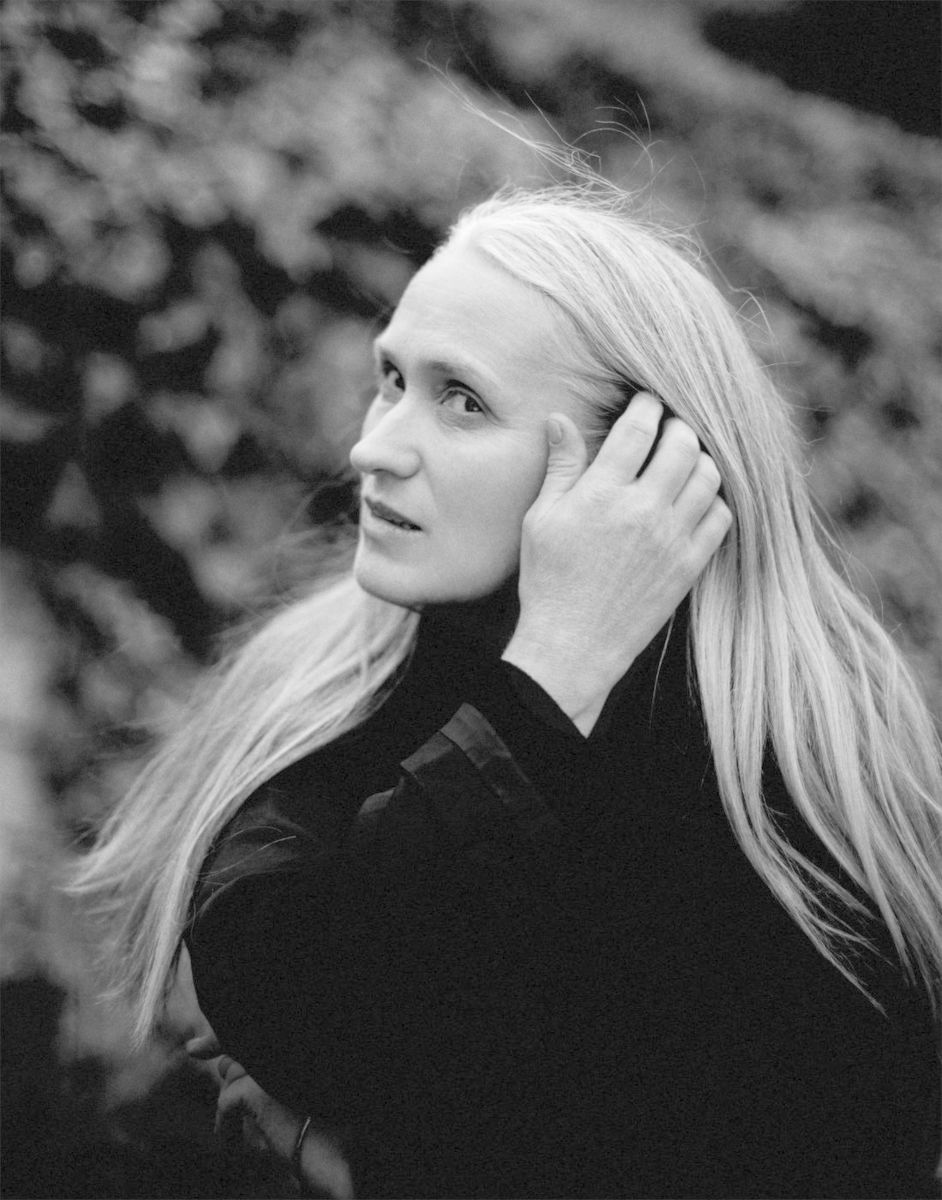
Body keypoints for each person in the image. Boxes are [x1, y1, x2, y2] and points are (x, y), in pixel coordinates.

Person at [72, 185, 942, 1199]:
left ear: (643, 471)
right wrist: (546, 684)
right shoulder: (326, 678)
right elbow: (301, 1001)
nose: (373, 446)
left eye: (463, 401)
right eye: (392, 379)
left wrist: (391, 1170)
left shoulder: (802, 784)